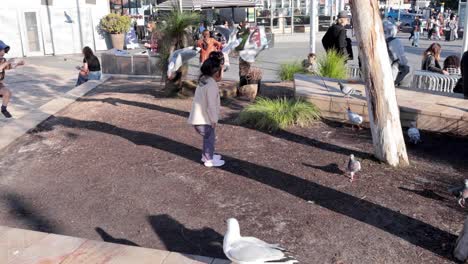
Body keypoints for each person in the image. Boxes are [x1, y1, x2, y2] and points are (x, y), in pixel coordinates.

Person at [188, 51, 226, 167]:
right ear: (216, 73)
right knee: (210, 139)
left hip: (198, 119)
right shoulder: (211, 85)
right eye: (221, 71)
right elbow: (211, 105)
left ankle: (208, 155)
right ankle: (208, 159)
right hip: (205, 120)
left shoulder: (203, 80)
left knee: (208, 138)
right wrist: (214, 120)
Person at [0, 40, 25, 118]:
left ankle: (3, 109)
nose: (4, 52)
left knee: (7, 93)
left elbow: (8, 67)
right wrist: (7, 62)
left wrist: (18, 64)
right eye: (3, 50)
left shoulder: (2, 60)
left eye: (4, 50)